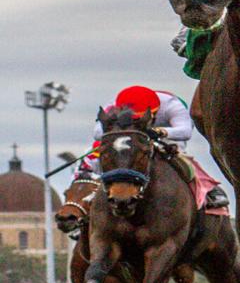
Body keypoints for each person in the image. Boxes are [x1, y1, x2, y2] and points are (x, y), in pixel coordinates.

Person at [90, 86, 228, 211]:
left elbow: (186, 132)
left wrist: (160, 131)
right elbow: (97, 133)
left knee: (178, 156)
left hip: (168, 135)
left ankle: (211, 190)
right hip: (131, 136)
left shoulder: (172, 105)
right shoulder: (113, 106)